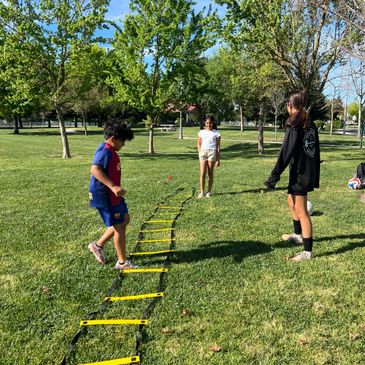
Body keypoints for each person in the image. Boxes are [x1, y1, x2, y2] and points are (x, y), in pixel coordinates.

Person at [264, 91, 320, 261]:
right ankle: (297, 235)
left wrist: (274, 176)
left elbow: (285, 152)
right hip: (301, 171)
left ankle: (307, 252)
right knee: (291, 202)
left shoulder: (295, 123)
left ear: (290, 105)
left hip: (301, 173)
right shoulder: (307, 121)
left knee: (302, 210)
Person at [88, 122, 138, 270]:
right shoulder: (105, 151)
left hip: (113, 195)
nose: (123, 144)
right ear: (113, 138)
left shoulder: (109, 150)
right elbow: (95, 169)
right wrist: (113, 186)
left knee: (124, 219)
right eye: (122, 141)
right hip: (105, 195)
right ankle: (122, 263)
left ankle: (97, 245)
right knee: (119, 227)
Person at [197, 115, 221, 198]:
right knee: (202, 173)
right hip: (203, 153)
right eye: (207, 123)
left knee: (210, 173)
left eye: (210, 123)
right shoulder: (201, 132)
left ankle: (209, 192)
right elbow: (199, 144)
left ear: (213, 123)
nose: (208, 124)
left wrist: (218, 159)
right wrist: (199, 153)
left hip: (212, 152)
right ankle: (202, 192)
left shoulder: (216, 133)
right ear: (205, 123)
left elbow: (218, 147)